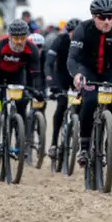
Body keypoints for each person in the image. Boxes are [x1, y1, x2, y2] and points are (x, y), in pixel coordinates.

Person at [67, 0, 112, 167]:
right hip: (88, 70)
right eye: (102, 17)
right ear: (94, 17)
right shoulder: (83, 29)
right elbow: (72, 58)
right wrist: (77, 75)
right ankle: (84, 146)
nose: (107, 21)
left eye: (110, 17)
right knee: (90, 102)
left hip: (110, 71)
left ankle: (109, 144)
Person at [0, 19, 44, 156]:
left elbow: (35, 74)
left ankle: (19, 141)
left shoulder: (32, 48)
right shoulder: (0, 44)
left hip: (17, 75)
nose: (19, 42)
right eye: (16, 38)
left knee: (22, 102)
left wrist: (37, 90)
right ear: (10, 37)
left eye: (22, 38)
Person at [45, 18, 81, 159]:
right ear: (68, 32)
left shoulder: (85, 43)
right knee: (61, 105)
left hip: (77, 78)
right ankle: (54, 143)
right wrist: (49, 79)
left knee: (82, 107)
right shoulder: (60, 40)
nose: (75, 36)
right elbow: (49, 62)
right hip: (61, 77)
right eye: (72, 33)